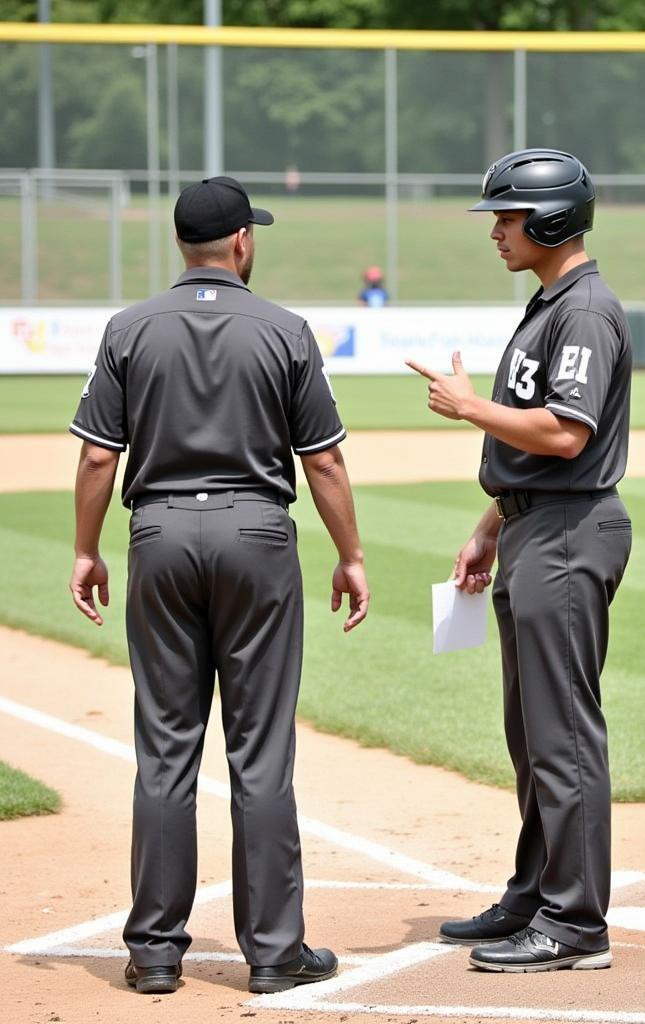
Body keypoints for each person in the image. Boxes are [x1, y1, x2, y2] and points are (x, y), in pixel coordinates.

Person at [68, 175, 370, 996]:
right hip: (256, 535)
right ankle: (274, 953)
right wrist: (350, 554)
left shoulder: (129, 328)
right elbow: (325, 461)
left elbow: (100, 455)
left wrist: (86, 549)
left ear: (181, 246)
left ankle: (156, 952)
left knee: (165, 751)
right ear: (242, 242)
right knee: (259, 753)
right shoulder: (284, 329)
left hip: (159, 534)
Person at [407, 148, 632, 973]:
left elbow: (567, 434)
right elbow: (538, 455)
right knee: (533, 732)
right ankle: (536, 892)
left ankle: (576, 926)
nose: (495, 230)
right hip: (538, 528)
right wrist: (493, 522)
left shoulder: (584, 312)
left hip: (573, 535)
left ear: (551, 221)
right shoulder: (551, 305)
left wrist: (472, 408)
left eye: (507, 216)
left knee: (563, 734)